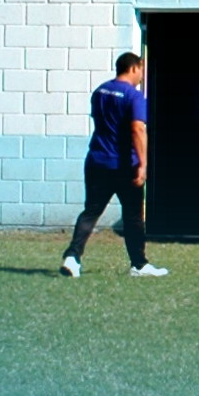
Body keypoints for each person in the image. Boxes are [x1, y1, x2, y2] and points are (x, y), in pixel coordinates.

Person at [61, 52, 168, 278]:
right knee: (133, 217)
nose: (141, 75)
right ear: (133, 69)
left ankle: (72, 257)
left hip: (97, 160)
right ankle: (139, 265)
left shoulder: (100, 91)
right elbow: (138, 129)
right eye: (141, 70)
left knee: (91, 212)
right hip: (123, 165)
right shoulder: (134, 96)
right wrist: (143, 164)